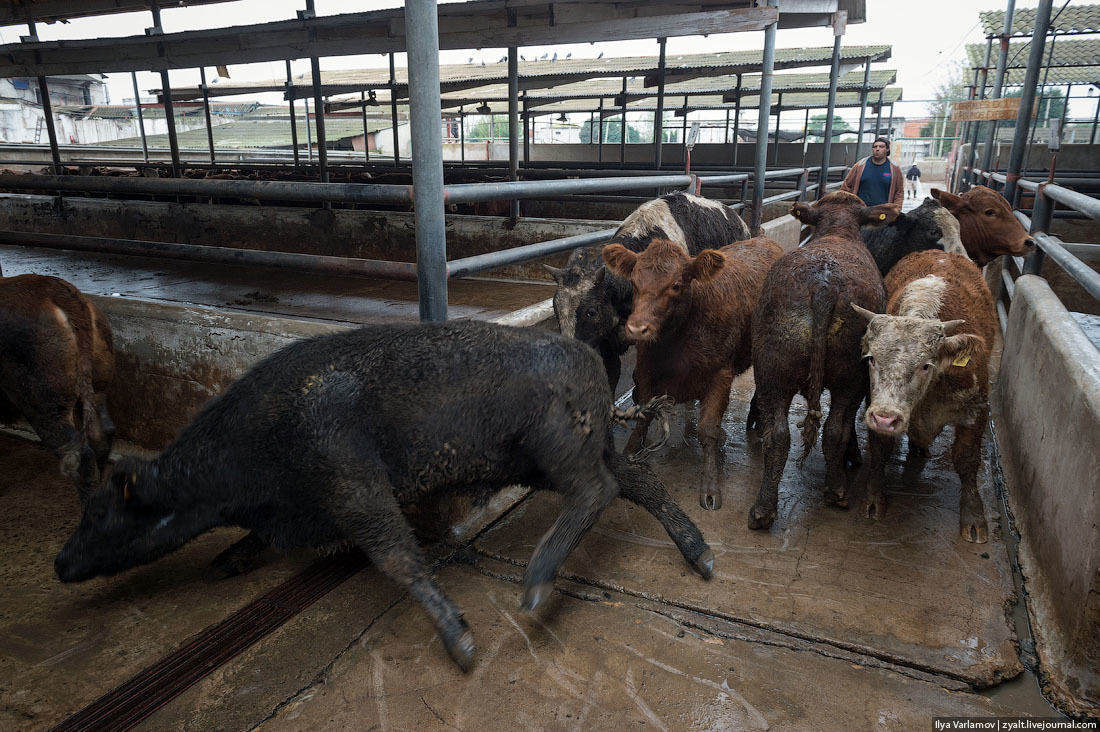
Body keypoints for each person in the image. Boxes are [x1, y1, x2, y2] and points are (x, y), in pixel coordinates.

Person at [841, 137, 904, 207]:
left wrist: (896, 209)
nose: (877, 149)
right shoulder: (860, 165)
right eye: (875, 147)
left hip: (883, 212)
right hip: (860, 211)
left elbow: (899, 192)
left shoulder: (894, 168)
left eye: (881, 147)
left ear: (887, 149)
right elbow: (846, 186)